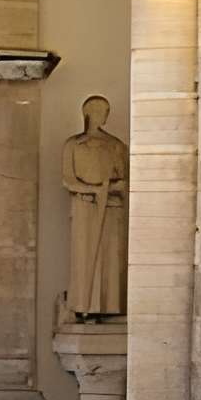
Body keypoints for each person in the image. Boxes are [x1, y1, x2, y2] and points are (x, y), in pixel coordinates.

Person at [61, 95, 127, 321]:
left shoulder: (116, 146)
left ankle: (110, 307)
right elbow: (68, 180)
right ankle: (83, 304)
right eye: (97, 111)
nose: (102, 116)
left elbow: (124, 180)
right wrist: (93, 190)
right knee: (84, 255)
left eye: (105, 112)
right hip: (85, 206)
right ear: (86, 113)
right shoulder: (73, 145)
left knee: (109, 257)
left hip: (111, 207)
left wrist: (110, 188)